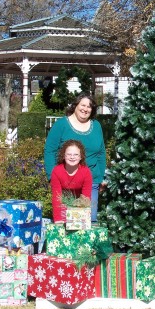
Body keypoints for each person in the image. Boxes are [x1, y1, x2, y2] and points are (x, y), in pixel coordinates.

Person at [44, 93, 106, 221]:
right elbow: (49, 151)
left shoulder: (96, 126)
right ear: (75, 105)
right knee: (65, 220)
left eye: (89, 107)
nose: (85, 109)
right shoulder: (61, 125)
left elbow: (101, 153)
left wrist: (101, 177)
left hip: (91, 180)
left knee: (89, 220)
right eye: (83, 105)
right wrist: (52, 176)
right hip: (65, 180)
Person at [50, 140, 92, 223]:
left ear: (81, 157)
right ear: (63, 156)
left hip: (80, 199)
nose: (72, 157)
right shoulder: (57, 171)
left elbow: (85, 198)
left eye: (76, 154)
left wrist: (81, 218)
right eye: (69, 154)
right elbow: (57, 196)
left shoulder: (86, 172)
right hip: (64, 199)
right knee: (63, 220)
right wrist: (58, 219)